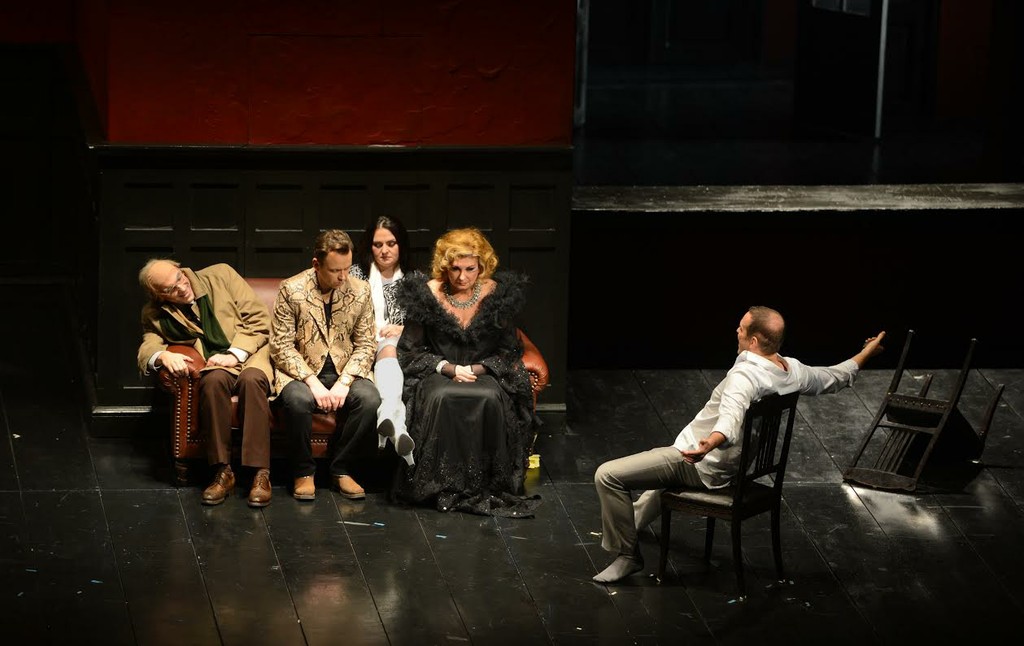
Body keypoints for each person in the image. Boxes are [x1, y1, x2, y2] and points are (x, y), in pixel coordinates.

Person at [592, 306, 886, 583]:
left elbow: (730, 419)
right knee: (658, 473)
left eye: (742, 328)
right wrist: (866, 353)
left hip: (701, 463)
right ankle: (631, 522)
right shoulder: (790, 370)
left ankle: (627, 555)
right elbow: (833, 377)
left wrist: (708, 445)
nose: (737, 330)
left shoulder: (744, 376)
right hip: (733, 466)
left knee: (608, 475)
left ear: (754, 340)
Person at [394, 227, 540, 517]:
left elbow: (509, 350)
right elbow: (409, 350)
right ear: (444, 267)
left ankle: (486, 483)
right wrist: (448, 368)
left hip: (485, 372)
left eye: (470, 269)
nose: (462, 277)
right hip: (437, 372)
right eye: (455, 269)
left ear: (481, 267)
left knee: (489, 397)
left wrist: (475, 368)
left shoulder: (496, 295)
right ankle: (438, 482)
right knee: (441, 397)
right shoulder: (427, 294)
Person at [137, 259, 274, 507]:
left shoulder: (221, 275)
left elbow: (259, 319)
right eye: (170, 289)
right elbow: (149, 345)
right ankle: (223, 471)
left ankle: (259, 472)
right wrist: (163, 355)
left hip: (251, 354)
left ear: (180, 269)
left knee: (251, 380)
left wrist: (234, 354)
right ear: (158, 295)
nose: (181, 288)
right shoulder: (155, 313)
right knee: (211, 382)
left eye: (179, 278)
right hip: (216, 364)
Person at [270, 229, 381, 501]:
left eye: (347, 269)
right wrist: (312, 382)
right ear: (316, 264)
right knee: (298, 401)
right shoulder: (291, 289)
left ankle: (340, 469)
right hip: (302, 371)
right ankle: (303, 472)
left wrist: (345, 382)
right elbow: (281, 346)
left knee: (369, 399)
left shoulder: (360, 290)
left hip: (345, 369)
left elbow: (367, 343)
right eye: (335, 270)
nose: (343, 277)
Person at [349, 215, 416, 466]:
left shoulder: (415, 279)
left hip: (403, 347)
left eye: (391, 243)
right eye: (378, 245)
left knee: (389, 347)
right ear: (370, 247)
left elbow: (426, 324)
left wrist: (403, 329)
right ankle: (398, 430)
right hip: (362, 343)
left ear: (401, 245)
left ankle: (387, 416)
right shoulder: (355, 274)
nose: (384, 250)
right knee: (386, 347)